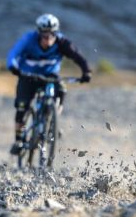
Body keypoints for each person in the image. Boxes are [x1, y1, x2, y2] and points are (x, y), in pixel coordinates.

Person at [6, 13, 92, 155]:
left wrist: (86, 72)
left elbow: (78, 56)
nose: (48, 38)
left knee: (62, 90)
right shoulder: (28, 40)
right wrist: (13, 67)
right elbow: (13, 54)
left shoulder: (62, 42)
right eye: (45, 35)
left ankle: (54, 120)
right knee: (22, 107)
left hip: (50, 75)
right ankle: (19, 140)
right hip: (28, 76)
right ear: (39, 33)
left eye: (52, 34)